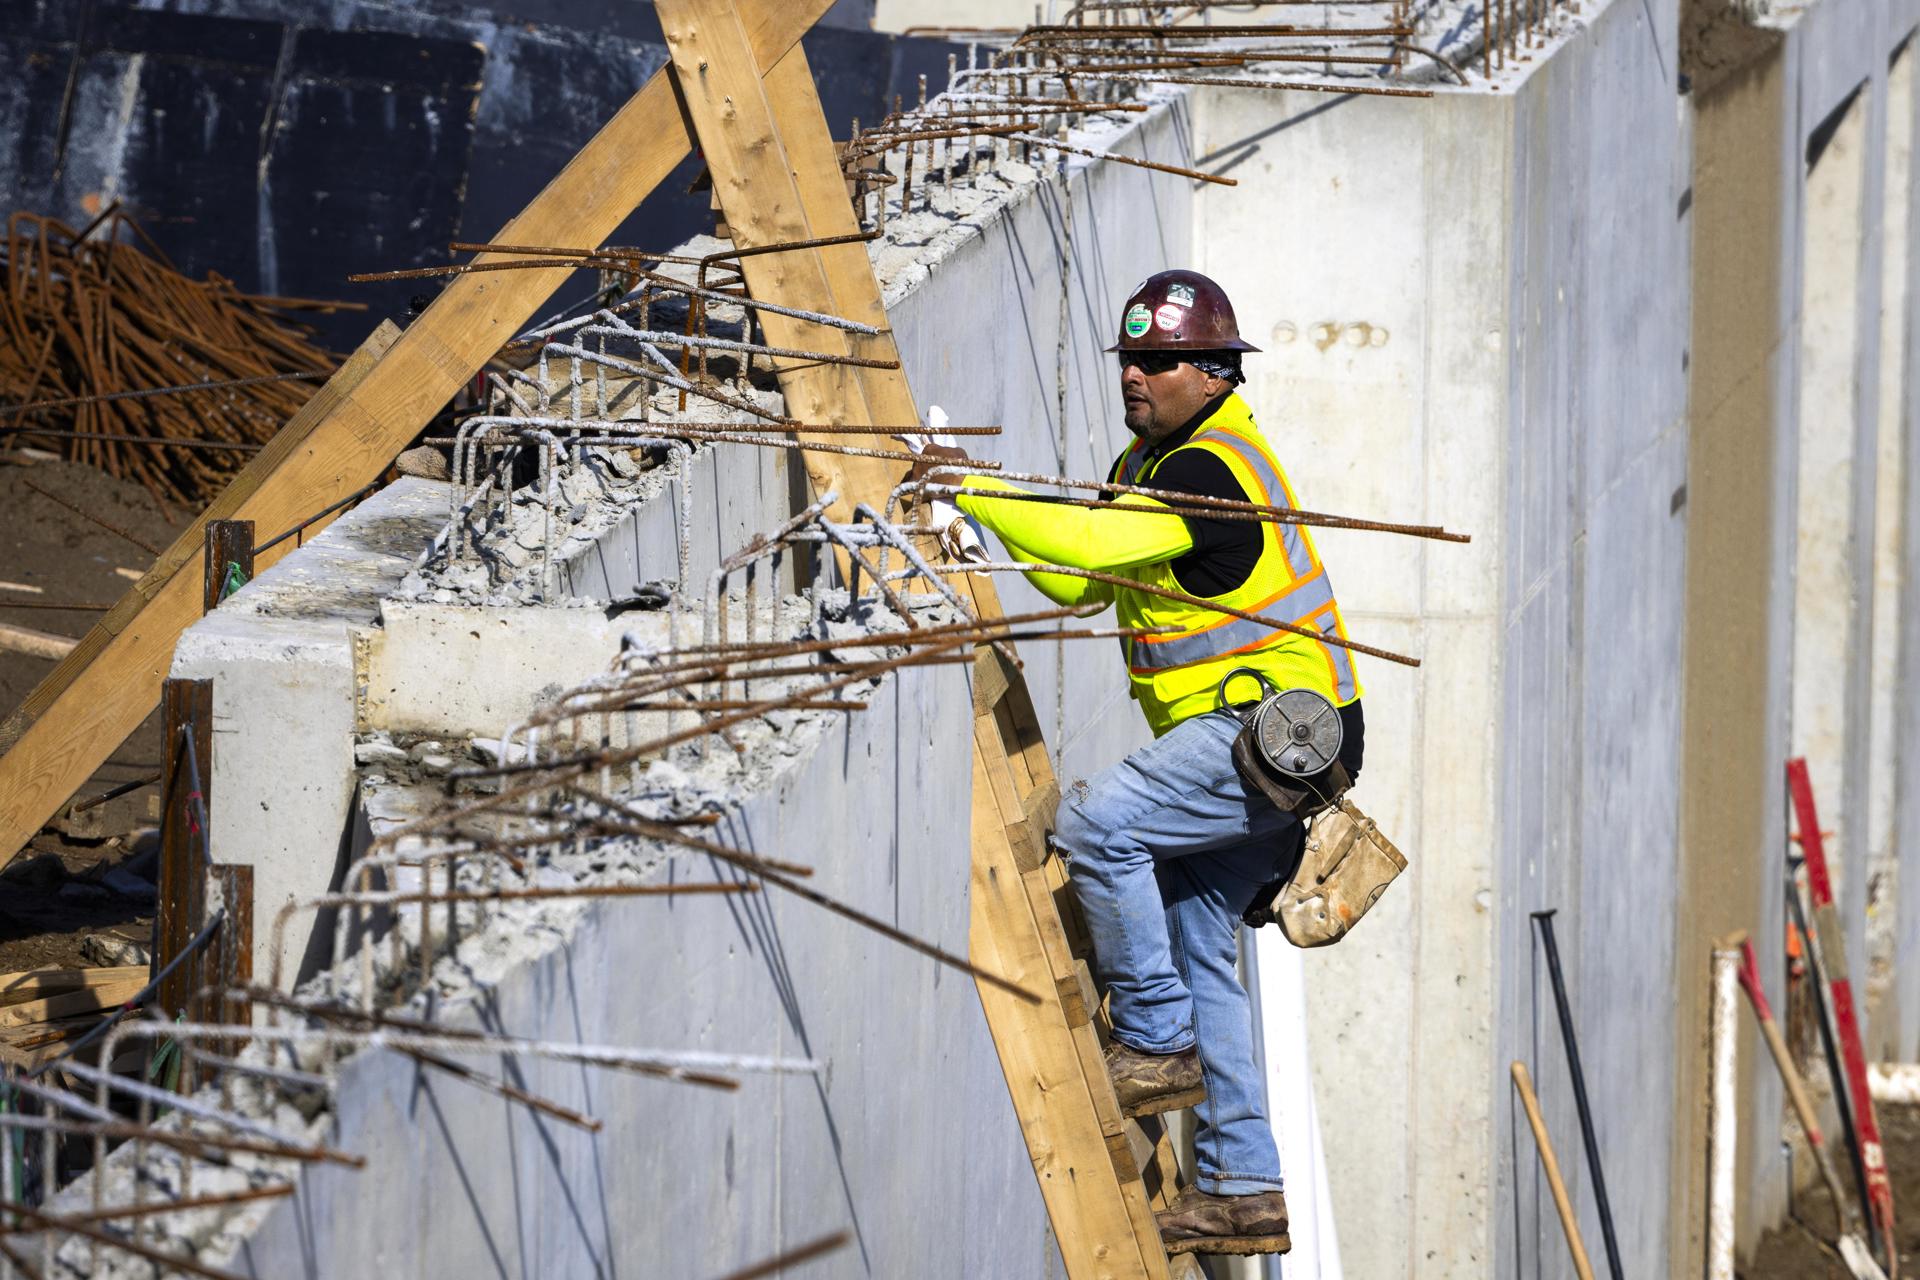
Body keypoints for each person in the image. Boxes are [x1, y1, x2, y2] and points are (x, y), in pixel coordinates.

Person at [915, 270, 1365, 1256]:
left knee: (1095, 823)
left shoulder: (1210, 470)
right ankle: (1244, 1187)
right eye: (1131, 359)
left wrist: (972, 484)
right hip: (1260, 740)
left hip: (1273, 734)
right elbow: (1079, 575)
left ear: (1213, 373)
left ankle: (1155, 1037)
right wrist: (981, 521)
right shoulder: (1150, 462)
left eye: (1159, 361)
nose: (1136, 374)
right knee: (1198, 937)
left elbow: (1083, 537)